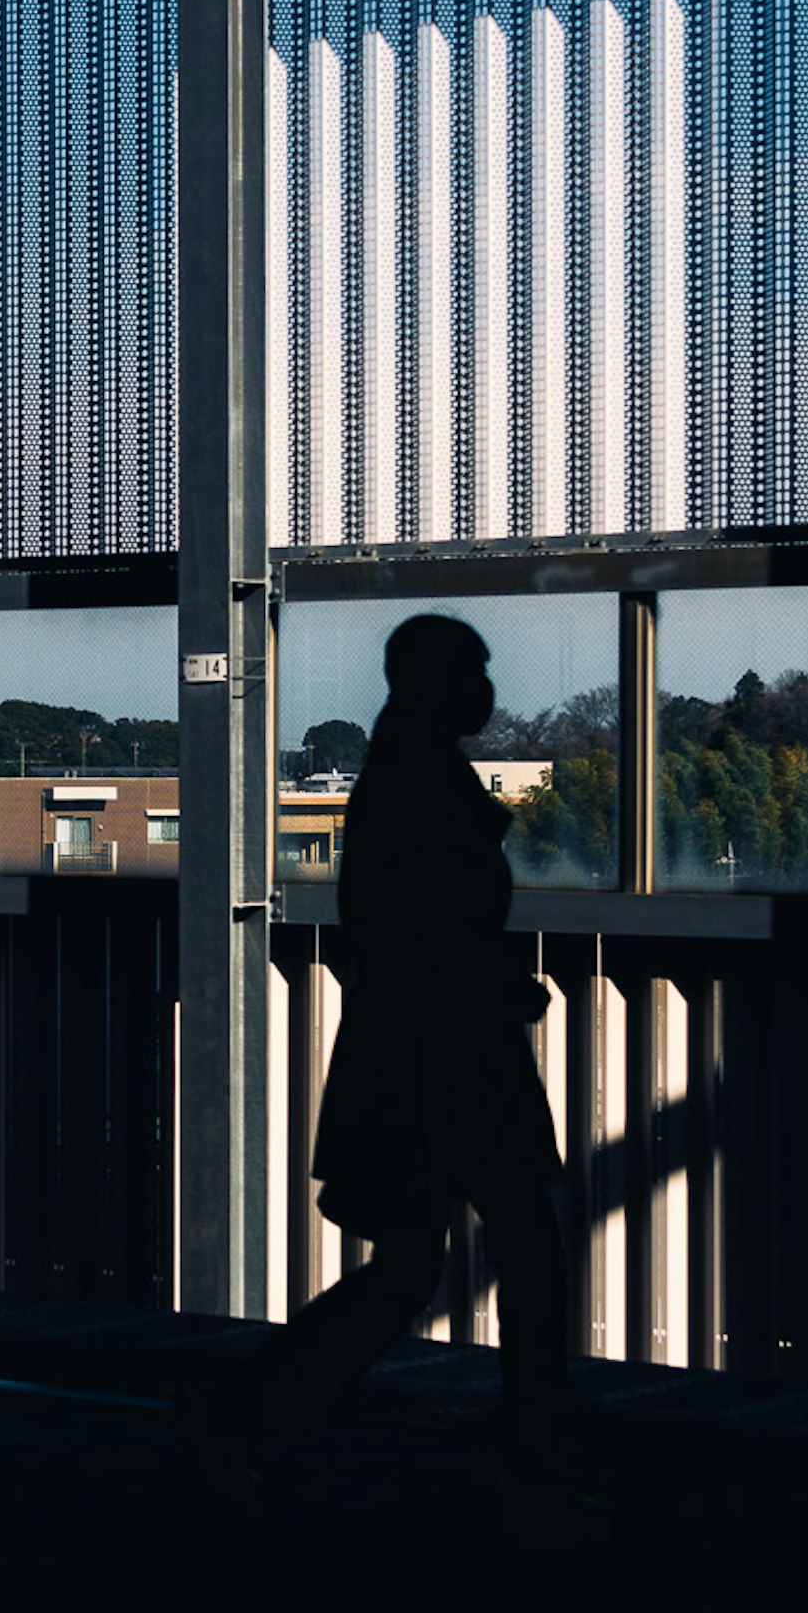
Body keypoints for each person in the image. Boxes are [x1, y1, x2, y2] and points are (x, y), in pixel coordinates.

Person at [179, 614, 594, 1518]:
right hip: (455, 1056)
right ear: (440, 682)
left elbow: (398, 929)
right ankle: (537, 1443)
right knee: (523, 1245)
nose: (487, 685)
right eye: (475, 670)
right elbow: (433, 934)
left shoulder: (396, 775)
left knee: (412, 1260)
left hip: (414, 1052)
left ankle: (250, 1410)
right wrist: (498, 988)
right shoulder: (426, 784)